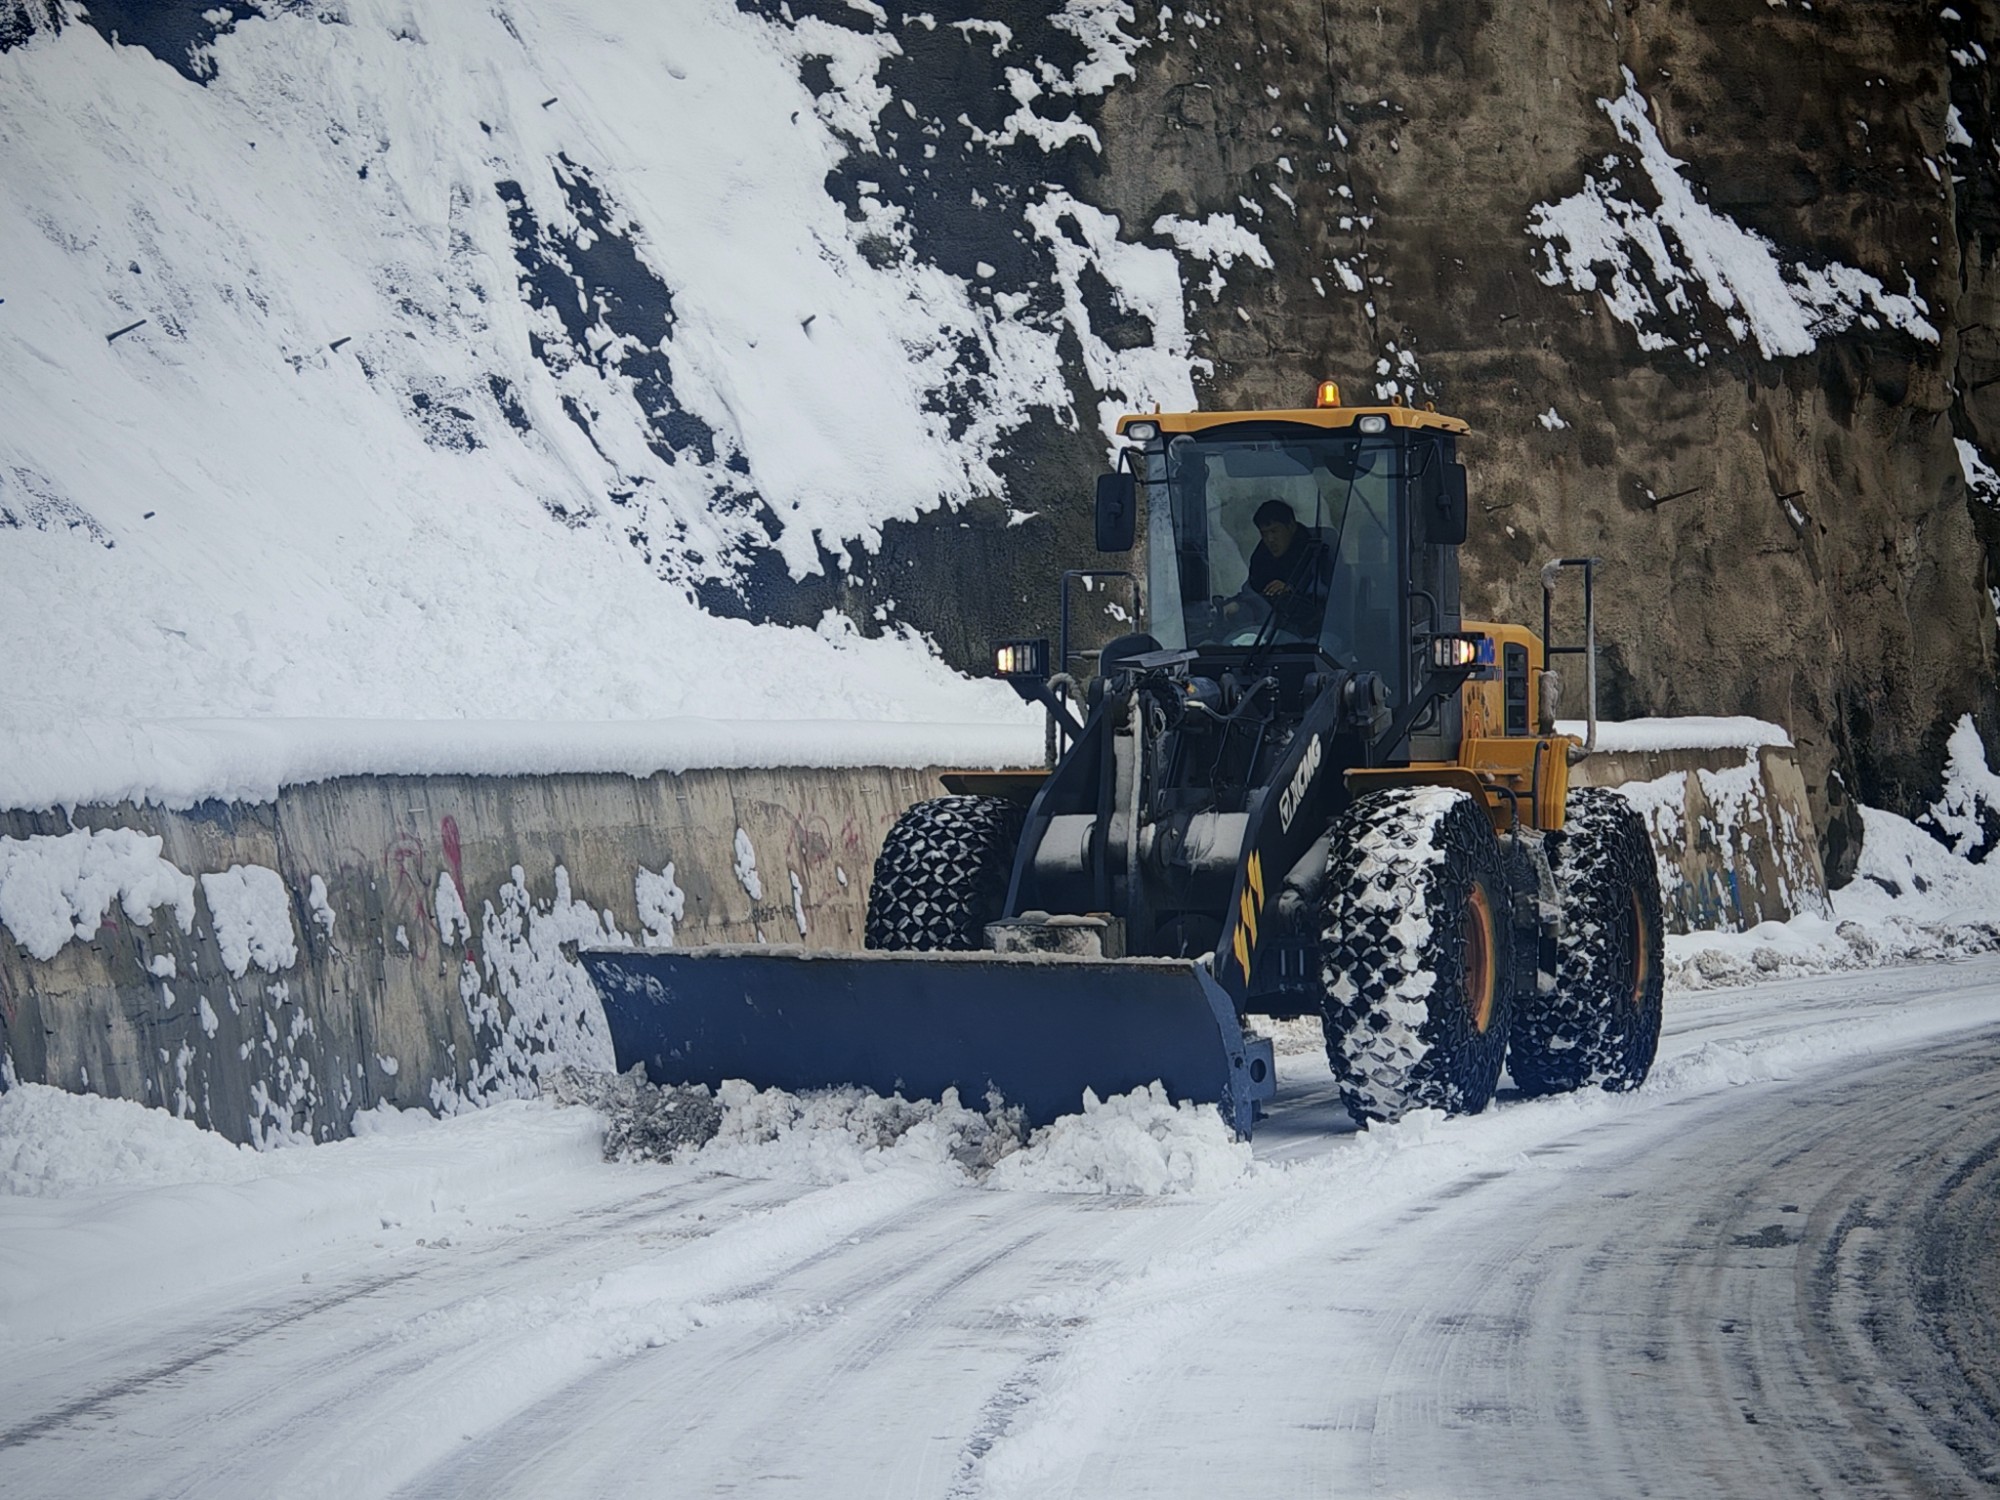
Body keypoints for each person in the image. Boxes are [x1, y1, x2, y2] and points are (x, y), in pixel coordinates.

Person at [1243, 499, 1328, 632]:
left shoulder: (1315, 554)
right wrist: (1237, 605)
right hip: (1266, 632)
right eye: (1264, 534)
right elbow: (1251, 590)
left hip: (1315, 634)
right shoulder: (1261, 558)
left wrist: (1292, 589)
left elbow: (1325, 596)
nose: (1270, 540)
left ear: (1291, 526)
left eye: (1274, 531)